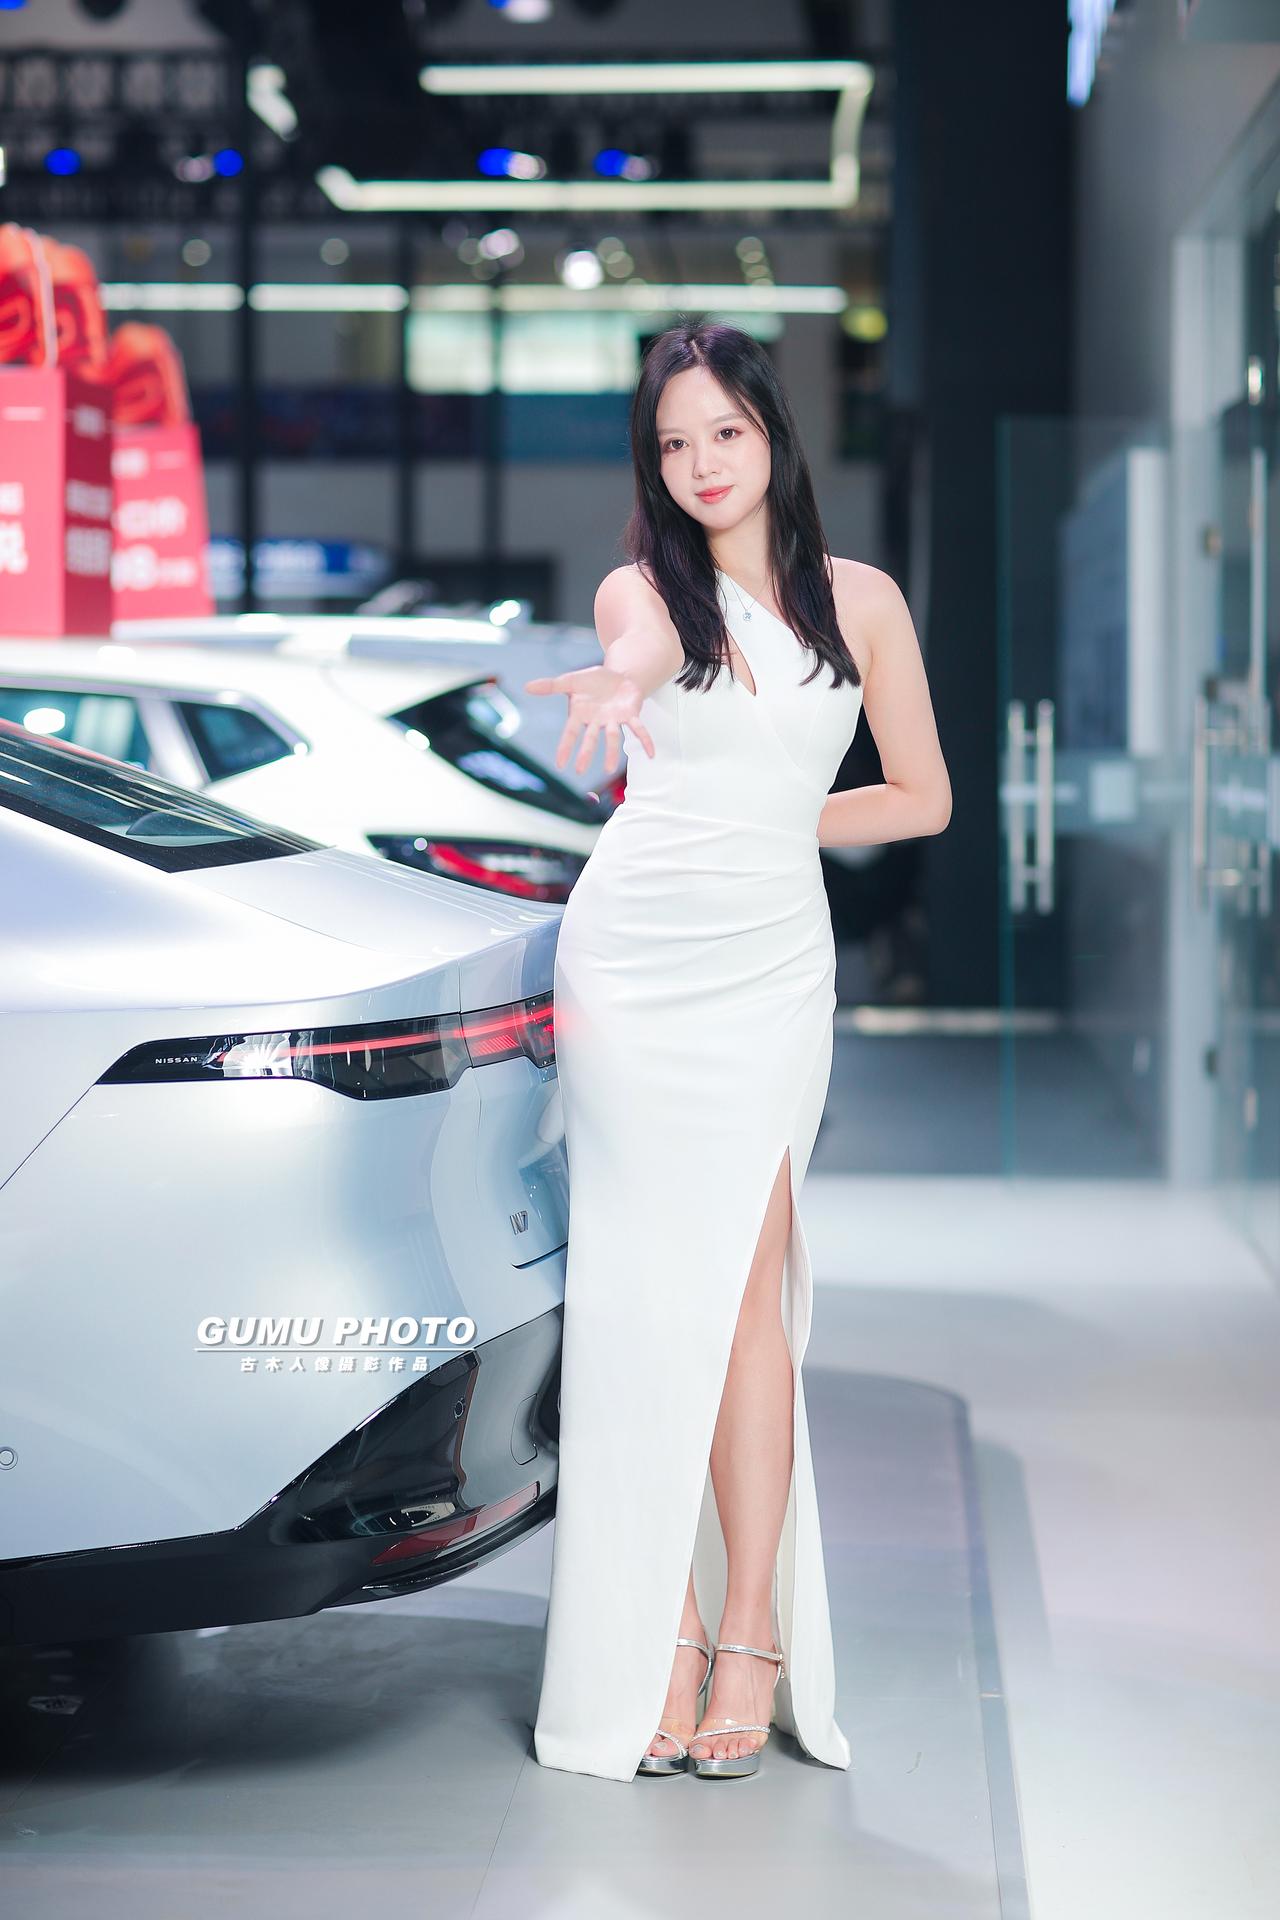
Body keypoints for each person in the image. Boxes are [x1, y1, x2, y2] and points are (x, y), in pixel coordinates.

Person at [524, 318, 951, 1784]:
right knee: (639, 1297)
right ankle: (664, 1627)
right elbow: (642, 652)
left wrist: (775, 820)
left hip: (769, 971)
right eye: (673, 443)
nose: (702, 464)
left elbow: (922, 797)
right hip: (633, 966)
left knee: (748, 1299)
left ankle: (751, 1626)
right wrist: (620, 685)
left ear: (774, 434)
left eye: (726, 432)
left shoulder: (864, 602)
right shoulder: (641, 591)